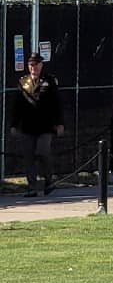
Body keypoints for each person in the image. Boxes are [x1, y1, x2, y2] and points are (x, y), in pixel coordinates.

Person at [8, 52, 65, 197]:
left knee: (42, 151)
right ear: (28, 66)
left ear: (41, 65)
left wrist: (60, 123)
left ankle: (48, 180)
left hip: (45, 126)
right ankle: (32, 187)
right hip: (27, 126)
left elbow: (56, 104)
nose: (34, 67)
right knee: (28, 157)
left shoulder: (49, 81)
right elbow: (17, 106)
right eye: (31, 65)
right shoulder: (23, 82)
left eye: (37, 64)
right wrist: (14, 125)